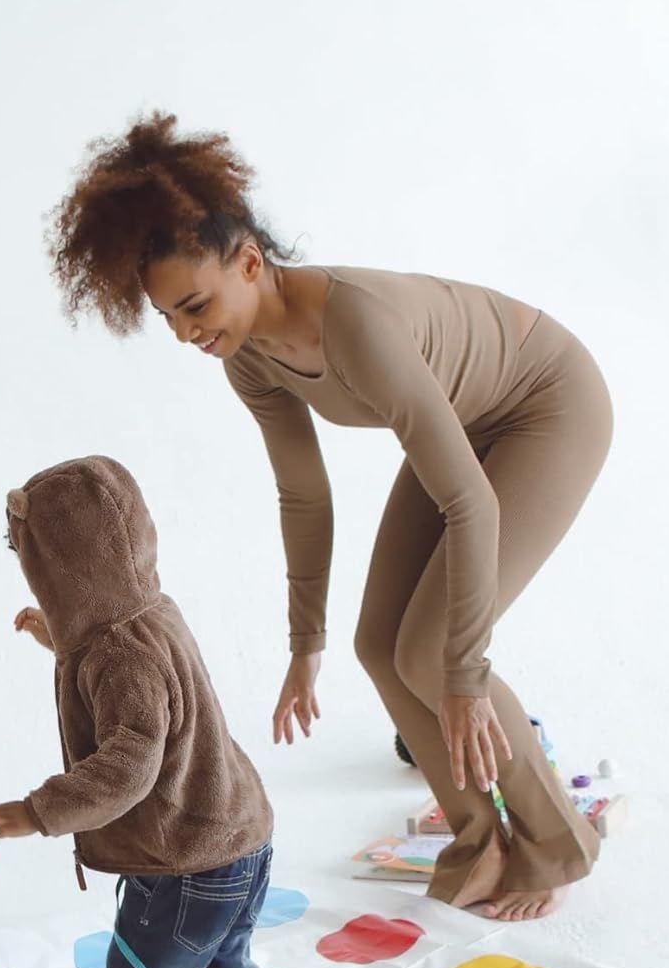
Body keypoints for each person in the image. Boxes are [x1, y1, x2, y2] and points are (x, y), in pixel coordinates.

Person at [43, 111, 613, 922]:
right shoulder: (246, 355)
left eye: (195, 305)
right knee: (380, 646)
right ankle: (482, 837)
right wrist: (304, 644)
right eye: (169, 317)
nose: (185, 332)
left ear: (249, 262)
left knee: (432, 652)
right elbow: (303, 494)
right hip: (466, 422)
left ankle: (555, 847)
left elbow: (470, 503)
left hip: (548, 407)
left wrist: (465, 675)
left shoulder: (357, 324)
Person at [0, 455, 293, 968]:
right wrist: (58, 637)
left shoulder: (117, 656)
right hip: (240, 837)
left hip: (186, 860)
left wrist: (36, 812)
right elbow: (133, 673)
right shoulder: (152, 615)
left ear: (58, 565)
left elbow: (128, 767)